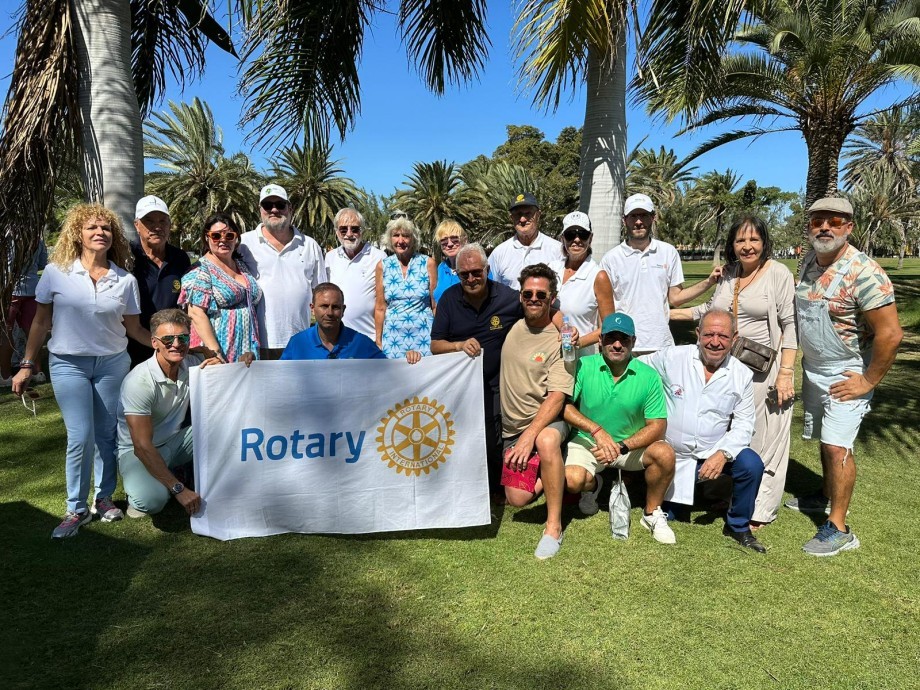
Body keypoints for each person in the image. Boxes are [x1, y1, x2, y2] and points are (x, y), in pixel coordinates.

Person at [12, 203, 151, 538]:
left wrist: (167, 346)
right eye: (92, 228)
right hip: (67, 364)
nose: (100, 233)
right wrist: (27, 363)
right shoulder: (57, 273)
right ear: (78, 233)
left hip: (112, 363)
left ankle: (103, 499)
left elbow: (133, 328)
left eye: (105, 228)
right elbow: (41, 321)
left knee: (106, 435)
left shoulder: (125, 280)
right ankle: (75, 509)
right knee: (81, 436)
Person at [785, 197, 902, 556]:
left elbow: (891, 334)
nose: (825, 227)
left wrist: (867, 381)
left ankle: (838, 526)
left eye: (834, 221)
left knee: (838, 444)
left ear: (849, 227)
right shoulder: (808, 263)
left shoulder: (864, 272)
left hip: (847, 373)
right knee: (824, 437)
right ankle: (824, 494)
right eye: (818, 220)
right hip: (815, 369)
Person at [671, 216, 797, 527]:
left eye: (754, 240)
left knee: (768, 439)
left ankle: (760, 510)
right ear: (732, 245)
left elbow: (791, 324)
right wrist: (663, 313)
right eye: (741, 240)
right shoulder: (729, 276)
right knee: (731, 436)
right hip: (729, 368)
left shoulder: (778, 274)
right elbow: (708, 311)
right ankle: (727, 496)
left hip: (764, 373)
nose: (747, 246)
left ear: (764, 243)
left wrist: (786, 373)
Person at [641, 309, 767, 553]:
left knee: (751, 464)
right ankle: (668, 502)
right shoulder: (673, 357)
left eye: (723, 336)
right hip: (672, 454)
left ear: (735, 338)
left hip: (712, 452)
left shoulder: (742, 374)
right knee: (673, 515)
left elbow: (744, 424)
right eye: (709, 334)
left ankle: (738, 525)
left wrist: (723, 454)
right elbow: (636, 370)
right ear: (698, 334)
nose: (715, 342)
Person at [563, 312, 676, 544]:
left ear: (633, 342)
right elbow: (565, 407)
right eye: (610, 338)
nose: (616, 344)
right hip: (589, 443)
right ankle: (594, 485)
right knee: (572, 481)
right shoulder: (584, 365)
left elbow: (658, 426)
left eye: (623, 339)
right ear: (600, 341)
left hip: (628, 447)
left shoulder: (648, 376)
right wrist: (597, 431)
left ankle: (652, 512)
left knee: (664, 454)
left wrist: (623, 446)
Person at [117, 309, 243, 518]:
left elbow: (228, 392)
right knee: (152, 502)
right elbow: (141, 445)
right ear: (154, 342)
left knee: (226, 426)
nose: (176, 344)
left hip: (175, 442)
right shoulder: (138, 382)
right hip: (137, 451)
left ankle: (221, 484)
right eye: (167, 339)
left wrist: (226, 366)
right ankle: (148, 486)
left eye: (182, 337)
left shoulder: (192, 363)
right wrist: (179, 490)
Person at [431, 244, 526, 496]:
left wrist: (565, 330)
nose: (471, 279)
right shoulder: (449, 299)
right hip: (460, 388)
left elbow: (541, 308)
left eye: (476, 272)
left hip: (498, 383)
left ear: (487, 269)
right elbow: (435, 345)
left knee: (495, 439)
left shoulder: (508, 298)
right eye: (465, 274)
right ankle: (470, 487)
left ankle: (497, 489)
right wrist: (458, 345)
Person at [499, 263, 573, 559]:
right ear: (520, 296)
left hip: (547, 424)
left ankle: (553, 527)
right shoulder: (515, 323)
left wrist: (530, 435)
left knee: (545, 441)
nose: (533, 298)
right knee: (517, 498)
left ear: (551, 298)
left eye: (540, 295)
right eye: (528, 293)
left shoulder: (562, 341)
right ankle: (561, 471)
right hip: (512, 429)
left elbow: (557, 397)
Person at [599, 193, 719, 353]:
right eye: (633, 216)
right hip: (624, 346)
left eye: (643, 215)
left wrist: (709, 282)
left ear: (653, 218)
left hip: (661, 345)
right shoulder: (611, 259)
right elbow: (604, 307)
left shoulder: (668, 252)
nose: (639, 221)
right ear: (624, 220)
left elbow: (675, 298)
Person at [239, 184, 326, 359]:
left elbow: (321, 293)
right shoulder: (243, 244)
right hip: (257, 345)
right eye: (267, 205)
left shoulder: (310, 245)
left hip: (300, 342)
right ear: (260, 210)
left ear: (290, 208)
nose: (274, 210)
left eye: (280, 205)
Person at [179, 213, 262, 363]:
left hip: (247, 351)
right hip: (218, 352)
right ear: (207, 237)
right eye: (216, 236)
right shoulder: (200, 271)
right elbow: (196, 314)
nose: (223, 240)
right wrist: (215, 353)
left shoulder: (242, 266)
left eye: (229, 236)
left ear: (236, 238)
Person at [282, 282, 420, 363]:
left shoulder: (361, 343)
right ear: (312, 309)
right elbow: (277, 379)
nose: (329, 313)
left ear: (343, 310)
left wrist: (408, 360)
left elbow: (390, 372)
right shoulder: (297, 343)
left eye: (335, 307)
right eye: (324, 306)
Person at [128, 195, 191, 367]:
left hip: (173, 347)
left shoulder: (180, 258)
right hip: (132, 349)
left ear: (170, 225)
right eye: (149, 221)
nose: (157, 227)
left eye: (163, 221)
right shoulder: (126, 257)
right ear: (137, 225)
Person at [548, 211, 615, 356]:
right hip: (548, 353)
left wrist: (578, 342)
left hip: (581, 357)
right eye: (570, 234)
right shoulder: (551, 268)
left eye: (583, 234)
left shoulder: (598, 276)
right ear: (562, 239)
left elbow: (609, 327)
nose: (577, 239)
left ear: (590, 238)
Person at [374, 216, 437, 359]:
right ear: (390, 239)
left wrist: (439, 336)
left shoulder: (428, 263)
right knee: (394, 379)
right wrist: (379, 340)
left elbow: (435, 305)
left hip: (424, 335)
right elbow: (380, 307)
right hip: (393, 338)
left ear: (413, 239)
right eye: (396, 235)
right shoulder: (382, 266)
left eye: (406, 236)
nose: (400, 241)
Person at [324, 207, 386, 341]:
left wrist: (379, 339)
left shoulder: (379, 257)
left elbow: (384, 302)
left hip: (369, 338)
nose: (349, 234)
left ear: (362, 231)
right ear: (336, 232)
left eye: (355, 229)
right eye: (343, 229)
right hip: (336, 340)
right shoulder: (330, 258)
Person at [489, 193, 564, 289]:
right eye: (518, 214)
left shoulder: (557, 250)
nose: (522, 219)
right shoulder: (499, 253)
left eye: (528, 214)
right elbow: (491, 288)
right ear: (511, 218)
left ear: (538, 215)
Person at [1, 238, 47, 385]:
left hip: (10, 290)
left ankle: (5, 375)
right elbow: (42, 263)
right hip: (32, 289)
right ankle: (38, 372)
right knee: (33, 331)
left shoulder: (7, 236)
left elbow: (6, 265)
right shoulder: (37, 238)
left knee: (6, 332)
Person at [432, 219, 491, 304]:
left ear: (465, 240)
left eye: (454, 239)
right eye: (444, 241)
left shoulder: (478, 265)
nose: (449, 244)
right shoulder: (441, 268)